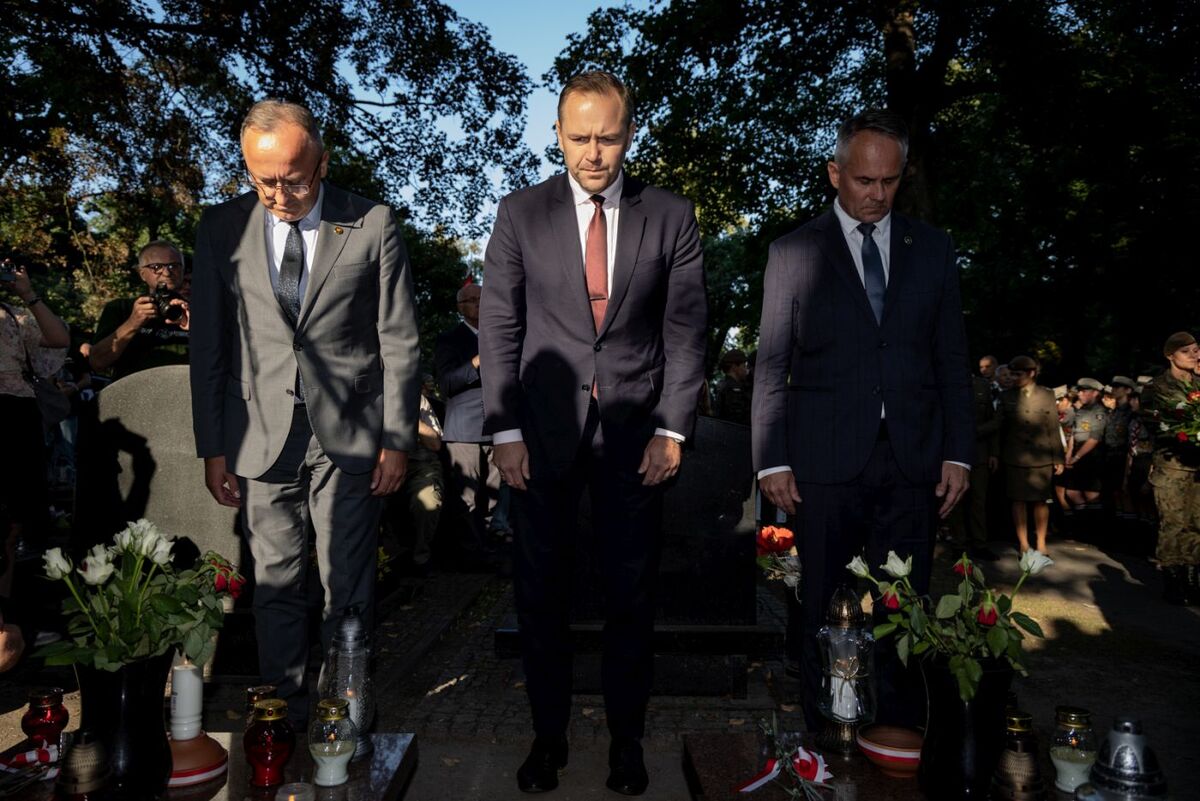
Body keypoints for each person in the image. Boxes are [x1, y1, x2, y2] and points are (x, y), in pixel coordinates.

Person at [478, 70, 706, 796]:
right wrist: (503, 428)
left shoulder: (670, 215)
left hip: (636, 439)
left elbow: (686, 331)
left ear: (629, 134)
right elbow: (500, 325)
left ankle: (627, 744)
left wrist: (672, 429)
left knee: (630, 598)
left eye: (607, 137)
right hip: (541, 440)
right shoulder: (520, 214)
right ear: (557, 134)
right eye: (579, 137)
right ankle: (547, 739)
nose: (593, 152)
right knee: (540, 595)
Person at [189, 99, 420, 722]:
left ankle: (344, 711)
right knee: (274, 583)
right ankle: (281, 714)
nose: (278, 194)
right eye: (261, 179)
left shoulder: (371, 222)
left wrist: (397, 439)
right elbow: (208, 345)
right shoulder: (220, 227)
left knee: (348, 583)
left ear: (322, 162)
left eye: (292, 179)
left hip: (351, 434)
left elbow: (398, 340)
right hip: (257, 433)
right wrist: (213, 447)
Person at [752, 109, 973, 730]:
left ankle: (896, 737)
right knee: (820, 605)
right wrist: (771, 460)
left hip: (912, 461)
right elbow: (772, 364)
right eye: (864, 180)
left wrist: (959, 451)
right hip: (822, 463)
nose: (877, 194)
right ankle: (823, 734)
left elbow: (952, 359)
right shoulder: (794, 252)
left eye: (890, 181)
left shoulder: (933, 250)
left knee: (906, 610)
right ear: (835, 173)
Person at [0, 261, 69, 654]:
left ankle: (8, 619)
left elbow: (59, 339)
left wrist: (27, 293)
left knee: (11, 526)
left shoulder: (15, 315)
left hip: (16, 418)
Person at [435, 280, 502, 562]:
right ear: (459, 307)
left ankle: (490, 550)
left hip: (498, 426)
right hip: (464, 429)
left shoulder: (500, 334)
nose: (478, 304)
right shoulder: (449, 339)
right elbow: (446, 384)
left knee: (495, 495)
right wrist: (476, 362)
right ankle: (469, 556)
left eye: (481, 298)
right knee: (468, 498)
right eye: (471, 300)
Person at [1139, 332, 1200, 605]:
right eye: (1186, 351)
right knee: (1173, 524)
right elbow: (1153, 424)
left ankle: (1192, 578)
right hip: (1172, 466)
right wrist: (1189, 433)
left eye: (1196, 350)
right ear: (1170, 355)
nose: (1194, 355)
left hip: (1197, 467)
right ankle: (1173, 579)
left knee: (1197, 524)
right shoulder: (1156, 387)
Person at [89, 240, 190, 380]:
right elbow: (97, 363)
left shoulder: (198, 310)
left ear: (182, 270)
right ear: (142, 274)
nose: (167, 272)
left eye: (174, 266)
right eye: (156, 267)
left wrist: (196, 327)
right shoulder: (120, 308)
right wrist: (133, 323)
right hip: (135, 390)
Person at [997, 355, 1065, 554]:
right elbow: (999, 427)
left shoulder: (1046, 395)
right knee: (1017, 500)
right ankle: (1023, 544)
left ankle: (1041, 543)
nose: (1013, 378)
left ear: (1031, 373)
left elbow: (1053, 426)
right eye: (1011, 374)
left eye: (1018, 374)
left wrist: (1058, 458)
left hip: (1041, 457)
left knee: (1040, 501)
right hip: (1014, 457)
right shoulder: (1006, 396)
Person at [948, 371, 1000, 559]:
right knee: (956, 500)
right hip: (954, 452)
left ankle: (980, 543)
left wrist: (994, 452)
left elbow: (993, 420)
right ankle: (958, 544)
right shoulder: (947, 382)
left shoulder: (982, 386)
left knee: (978, 501)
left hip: (979, 452)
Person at [1064, 377, 1107, 508]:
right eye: (1079, 391)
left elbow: (1094, 438)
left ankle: (1093, 519)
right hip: (1078, 452)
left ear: (1095, 393)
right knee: (1072, 491)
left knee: (1091, 494)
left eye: (1084, 391)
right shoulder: (1082, 409)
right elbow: (1074, 432)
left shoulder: (1099, 412)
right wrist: (1069, 453)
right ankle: (1084, 518)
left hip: (1092, 455)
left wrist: (1076, 457)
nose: (1079, 394)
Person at [713, 348, 752, 425]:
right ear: (734, 367)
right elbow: (737, 420)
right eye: (744, 366)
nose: (746, 369)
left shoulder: (724, 385)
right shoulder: (732, 389)